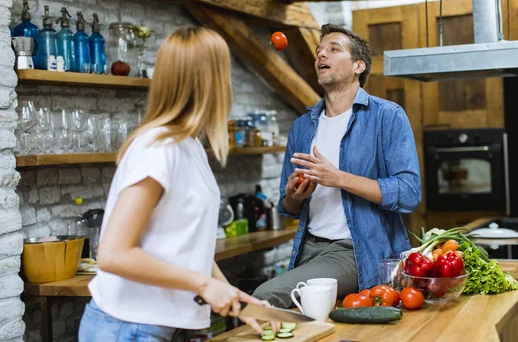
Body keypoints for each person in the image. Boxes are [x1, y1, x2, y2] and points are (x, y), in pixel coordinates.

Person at [79, 26, 276, 341]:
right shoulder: (157, 148)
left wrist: (235, 299)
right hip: (126, 328)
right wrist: (204, 285)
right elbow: (113, 254)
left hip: (154, 327)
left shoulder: (190, 145)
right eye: (224, 71)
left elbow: (186, 246)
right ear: (209, 79)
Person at [253, 24, 421, 308]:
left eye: (333, 49)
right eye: (319, 51)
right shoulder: (302, 127)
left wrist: (339, 178)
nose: (321, 55)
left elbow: (408, 193)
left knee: (263, 298)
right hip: (307, 249)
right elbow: (288, 206)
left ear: (358, 65)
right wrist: (296, 195)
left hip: (355, 250)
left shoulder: (387, 117)